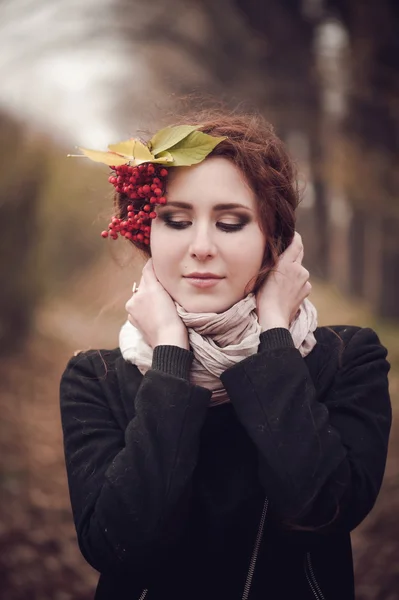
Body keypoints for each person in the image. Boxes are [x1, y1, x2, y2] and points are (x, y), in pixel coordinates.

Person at [60, 111, 391, 600]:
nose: (200, 247)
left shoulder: (346, 359)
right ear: (146, 233)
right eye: (175, 220)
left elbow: (321, 510)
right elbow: (118, 547)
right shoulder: (97, 378)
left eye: (231, 223)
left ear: (272, 243)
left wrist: (275, 334)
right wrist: (171, 355)